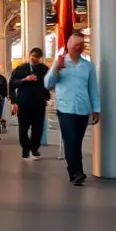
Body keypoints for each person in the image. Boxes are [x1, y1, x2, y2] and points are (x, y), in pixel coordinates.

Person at [45, 32, 100, 186]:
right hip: (65, 108)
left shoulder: (88, 66)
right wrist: (56, 67)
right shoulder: (60, 64)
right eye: (76, 45)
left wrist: (96, 109)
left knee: (77, 141)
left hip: (83, 109)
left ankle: (75, 171)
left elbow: (93, 89)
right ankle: (77, 172)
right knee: (70, 140)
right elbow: (47, 84)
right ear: (68, 46)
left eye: (81, 45)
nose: (78, 48)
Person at [9, 47, 49, 160]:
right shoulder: (21, 68)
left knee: (38, 128)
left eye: (37, 57)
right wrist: (25, 79)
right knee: (23, 128)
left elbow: (49, 82)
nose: (34, 59)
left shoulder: (44, 69)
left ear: (40, 58)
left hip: (39, 103)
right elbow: (12, 84)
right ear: (29, 55)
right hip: (24, 102)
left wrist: (47, 95)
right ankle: (25, 149)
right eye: (33, 56)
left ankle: (34, 149)